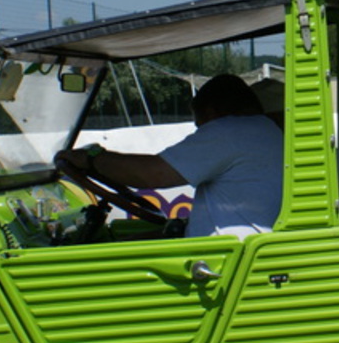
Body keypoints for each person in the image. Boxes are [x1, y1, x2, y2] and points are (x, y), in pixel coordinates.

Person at [56, 74, 284, 239]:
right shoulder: (263, 132)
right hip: (228, 251)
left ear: (211, 112)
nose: (200, 131)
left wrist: (92, 158)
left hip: (224, 260)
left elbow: (152, 174)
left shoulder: (231, 131)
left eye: (200, 125)